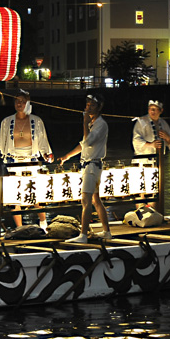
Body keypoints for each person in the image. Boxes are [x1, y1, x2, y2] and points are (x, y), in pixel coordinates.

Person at [0, 89, 53, 230]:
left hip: (32, 159)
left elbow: (43, 141)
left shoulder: (36, 121)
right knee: (15, 195)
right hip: (13, 160)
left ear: (28, 103)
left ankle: (43, 223)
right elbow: (0, 144)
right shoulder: (6, 121)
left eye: (22, 101)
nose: (19, 104)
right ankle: (20, 227)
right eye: (17, 101)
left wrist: (47, 154)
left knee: (36, 192)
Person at [57, 94, 111, 243]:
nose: (88, 108)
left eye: (92, 105)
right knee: (95, 200)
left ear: (99, 108)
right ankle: (106, 231)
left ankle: (83, 235)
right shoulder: (93, 124)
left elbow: (88, 142)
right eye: (87, 105)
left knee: (85, 201)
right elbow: (82, 144)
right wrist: (67, 156)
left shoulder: (101, 124)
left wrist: (84, 122)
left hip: (92, 166)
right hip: (90, 165)